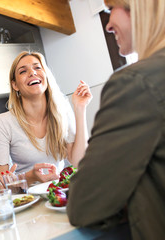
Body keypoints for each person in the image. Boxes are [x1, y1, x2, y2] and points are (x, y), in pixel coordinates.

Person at [67, 0, 165, 239]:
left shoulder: (134, 82)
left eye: (111, 10)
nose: (108, 25)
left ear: (140, 7)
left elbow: (85, 203)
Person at [0, 51, 92, 185]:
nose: (32, 73)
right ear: (15, 85)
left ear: (46, 75)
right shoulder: (3, 122)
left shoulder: (63, 111)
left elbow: (78, 161)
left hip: (56, 193)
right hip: (26, 198)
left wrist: (80, 108)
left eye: (37, 67)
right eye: (23, 71)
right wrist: (28, 177)